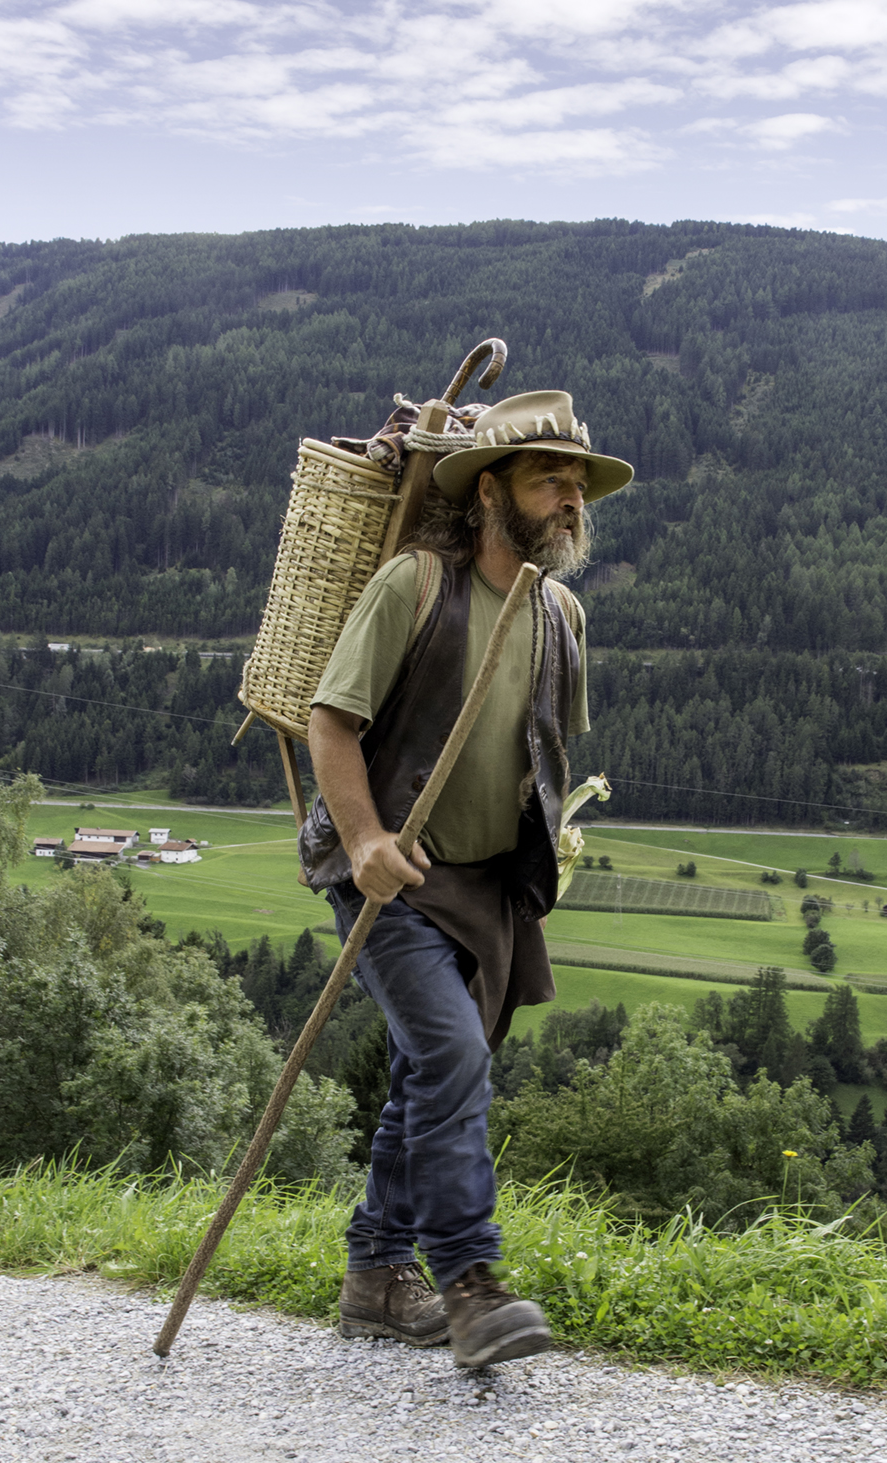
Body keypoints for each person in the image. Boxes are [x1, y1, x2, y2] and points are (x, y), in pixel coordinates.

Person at [301, 391, 633, 1368]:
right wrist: (363, 844)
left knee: (425, 1075)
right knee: (452, 1060)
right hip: (395, 877)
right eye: (548, 480)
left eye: (577, 484)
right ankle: (469, 1284)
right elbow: (331, 721)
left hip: (490, 891)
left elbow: (532, 755)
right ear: (491, 492)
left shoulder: (561, 614)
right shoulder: (412, 587)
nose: (570, 499)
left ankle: (372, 1278)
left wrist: (546, 847)